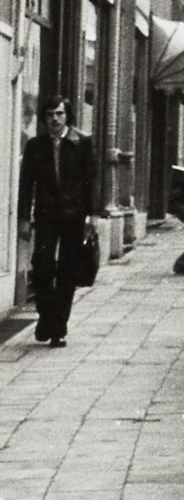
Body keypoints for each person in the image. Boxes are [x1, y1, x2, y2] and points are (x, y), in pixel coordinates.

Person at [16, 98, 99, 347]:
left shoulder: (82, 142)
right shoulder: (35, 145)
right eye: (50, 114)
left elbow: (91, 180)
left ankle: (59, 327)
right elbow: (26, 184)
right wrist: (23, 218)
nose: (55, 118)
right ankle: (46, 317)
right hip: (46, 214)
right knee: (42, 267)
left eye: (60, 113)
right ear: (44, 118)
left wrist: (93, 214)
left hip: (74, 214)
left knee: (67, 270)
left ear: (67, 116)